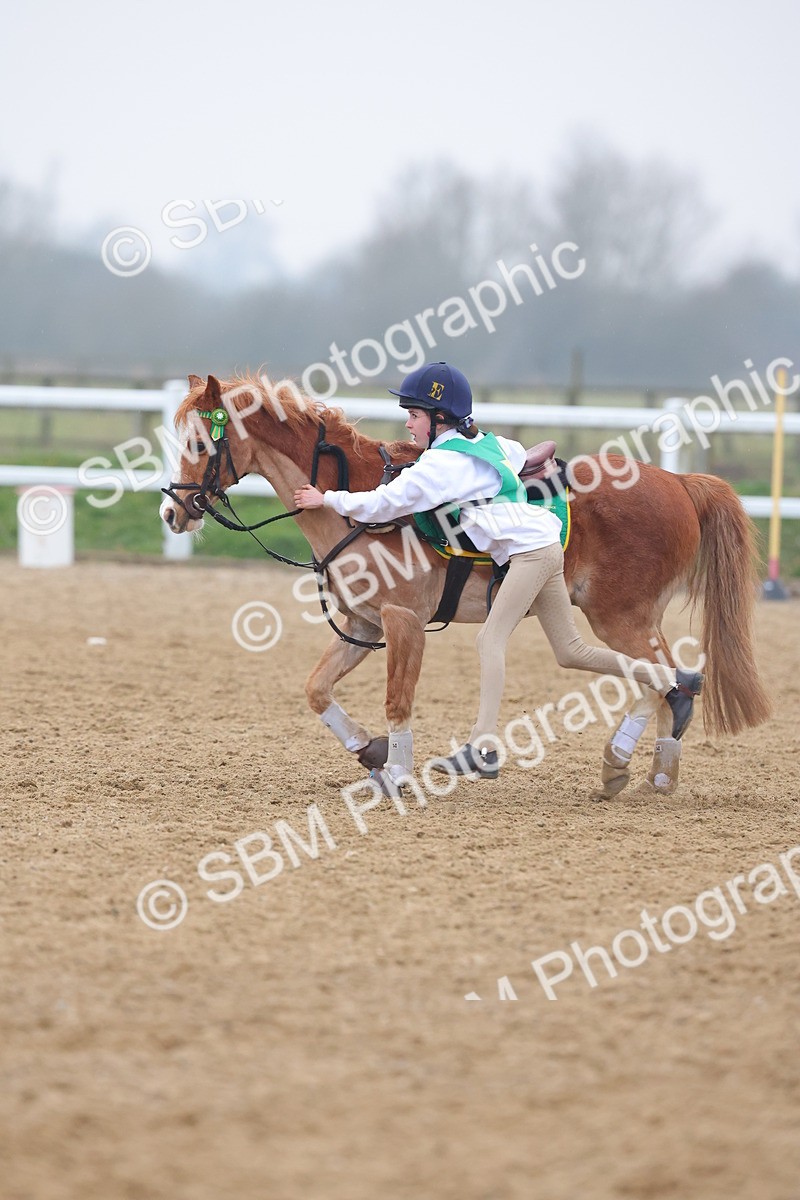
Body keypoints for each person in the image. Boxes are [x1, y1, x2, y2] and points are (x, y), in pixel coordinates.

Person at [294, 361, 702, 779]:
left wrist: (326, 500)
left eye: (414, 415)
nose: (408, 424)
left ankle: (482, 748)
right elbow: (523, 454)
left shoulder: (441, 465)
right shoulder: (483, 443)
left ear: (439, 419)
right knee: (570, 652)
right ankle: (674, 681)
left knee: (490, 639)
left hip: (530, 554)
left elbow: (387, 502)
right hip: (545, 546)